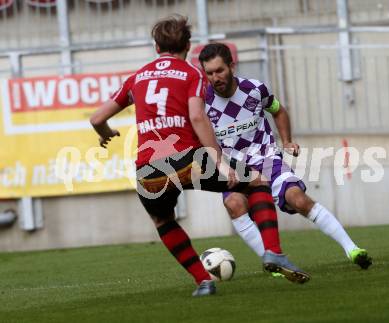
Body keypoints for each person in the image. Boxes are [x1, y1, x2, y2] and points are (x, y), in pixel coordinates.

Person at [90, 16, 310, 297]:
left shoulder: (137, 78)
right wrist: (218, 160)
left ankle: (203, 282)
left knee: (164, 221)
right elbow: (196, 115)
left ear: (156, 47)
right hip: (187, 159)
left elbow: (97, 118)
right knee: (257, 181)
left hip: (148, 169)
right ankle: (274, 253)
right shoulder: (191, 74)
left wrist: (105, 132)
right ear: (188, 45)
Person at [198, 43, 372, 270]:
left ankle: (352, 249)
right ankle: (273, 262)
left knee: (298, 199)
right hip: (233, 168)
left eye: (219, 70)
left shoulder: (255, 89)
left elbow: (278, 111)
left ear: (232, 66)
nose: (215, 77)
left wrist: (287, 140)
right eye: (209, 73)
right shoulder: (202, 102)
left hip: (267, 160)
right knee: (234, 204)